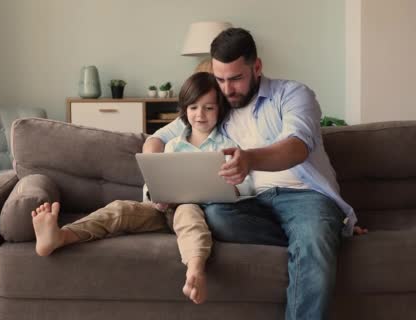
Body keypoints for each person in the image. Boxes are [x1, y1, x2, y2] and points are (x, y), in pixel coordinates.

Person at [143, 28, 367, 320]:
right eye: (220, 79)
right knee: (217, 216)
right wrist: (156, 178)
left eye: (236, 78)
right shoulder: (218, 105)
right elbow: (156, 139)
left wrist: (249, 159)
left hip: (302, 196)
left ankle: (317, 232)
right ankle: (324, 233)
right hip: (248, 202)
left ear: (257, 67)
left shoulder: (293, 94)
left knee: (312, 237)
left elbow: (296, 146)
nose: (228, 88)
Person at [31, 72, 253, 305]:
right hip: (162, 211)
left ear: (220, 110)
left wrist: (232, 187)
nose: (200, 115)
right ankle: (60, 236)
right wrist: (155, 196)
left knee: (190, 217)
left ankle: (195, 271)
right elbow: (154, 181)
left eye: (209, 108)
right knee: (119, 210)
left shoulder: (227, 146)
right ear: (185, 110)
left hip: (195, 210)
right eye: (194, 107)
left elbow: (245, 186)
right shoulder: (174, 145)